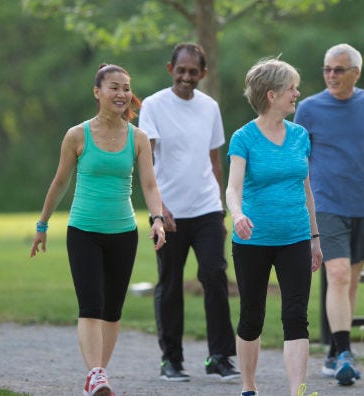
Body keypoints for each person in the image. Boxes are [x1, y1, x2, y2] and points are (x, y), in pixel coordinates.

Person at [30, 63, 166, 396]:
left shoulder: (138, 137)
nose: (121, 94)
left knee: (112, 310)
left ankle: (97, 374)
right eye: (114, 87)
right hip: (84, 231)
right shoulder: (77, 135)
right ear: (97, 92)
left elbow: (149, 184)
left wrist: (158, 218)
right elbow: (60, 182)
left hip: (123, 233)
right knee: (91, 304)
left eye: (126, 88)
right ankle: (96, 375)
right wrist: (42, 224)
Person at [293, 43, 364, 386]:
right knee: (336, 275)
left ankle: (335, 350)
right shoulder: (308, 108)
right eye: (327, 69)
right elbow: (297, 159)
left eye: (339, 70)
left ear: (356, 72)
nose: (331, 76)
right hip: (325, 205)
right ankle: (345, 354)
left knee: (349, 282)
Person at [138, 42, 239, 382]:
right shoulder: (153, 105)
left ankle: (220, 356)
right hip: (168, 213)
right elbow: (146, 163)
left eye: (193, 72)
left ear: (203, 74)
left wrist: (223, 210)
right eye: (180, 70)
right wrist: (158, 209)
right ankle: (171, 359)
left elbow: (215, 162)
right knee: (169, 283)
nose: (186, 77)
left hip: (207, 208)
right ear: (171, 69)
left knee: (214, 276)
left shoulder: (210, 107)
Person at [226, 58, 323, 396]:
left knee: (296, 315)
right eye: (291, 88)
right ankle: (249, 387)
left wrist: (314, 237)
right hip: (253, 240)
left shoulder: (299, 136)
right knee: (252, 315)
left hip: (295, 237)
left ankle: (297, 390)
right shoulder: (244, 138)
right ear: (271, 94)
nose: (297, 93)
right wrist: (237, 214)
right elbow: (233, 187)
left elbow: (306, 189)